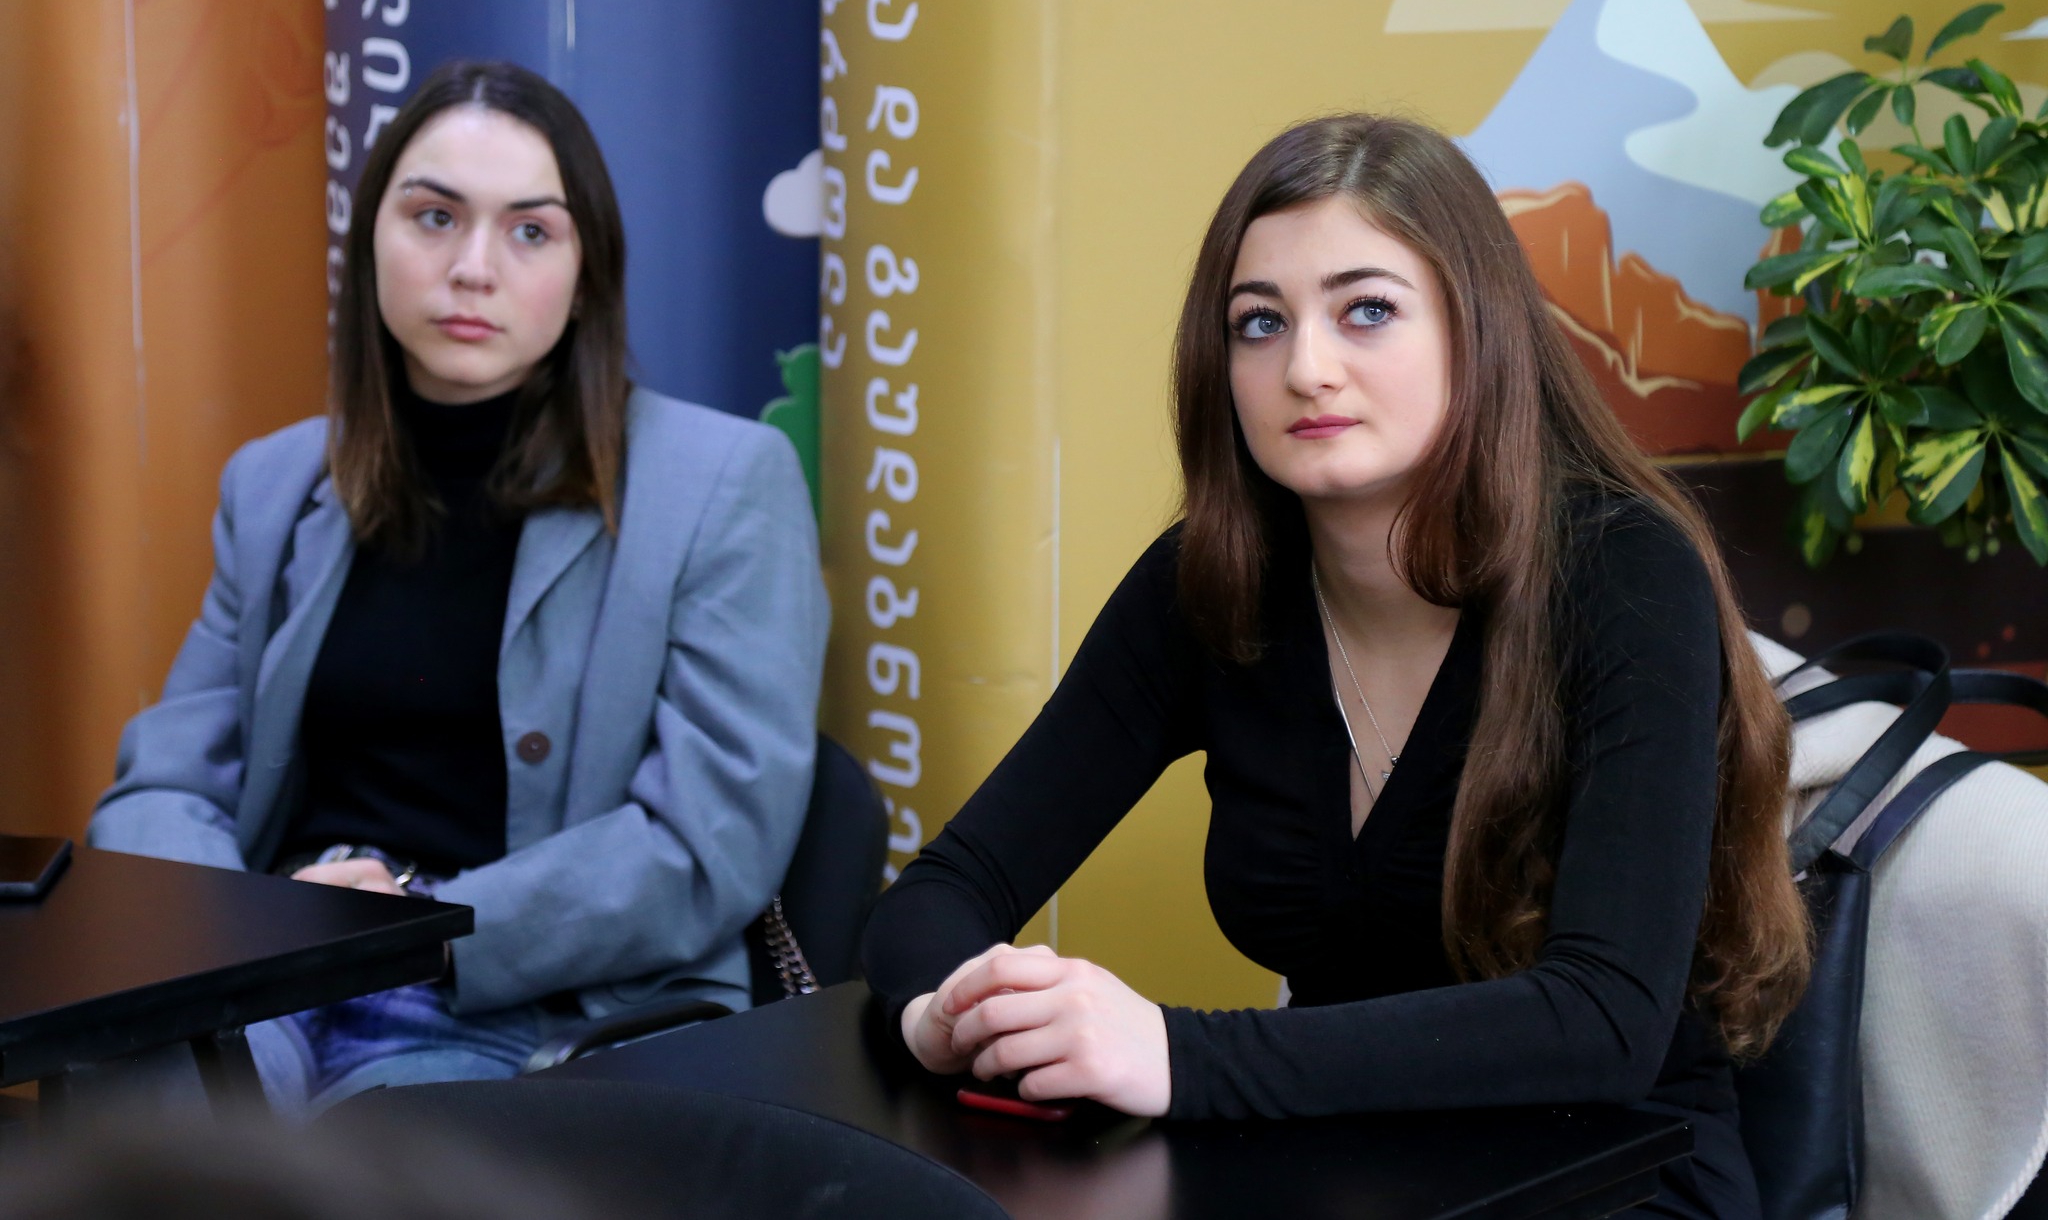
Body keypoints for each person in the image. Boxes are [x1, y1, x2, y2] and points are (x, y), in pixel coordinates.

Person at [860, 114, 1810, 1218]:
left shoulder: (1622, 570)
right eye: (1259, 324)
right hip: (1335, 1166)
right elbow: (947, 888)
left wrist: (1174, 1054)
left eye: (1367, 310)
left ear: (1476, 328)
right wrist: (946, 1013)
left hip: (1618, 1177)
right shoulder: (1209, 584)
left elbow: (1602, 1018)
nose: (1306, 369)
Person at [88, 60, 828, 1113]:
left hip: (526, 1002)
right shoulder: (274, 482)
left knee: (365, 1176)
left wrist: (411, 924)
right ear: (370, 244)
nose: (473, 268)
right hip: (268, 975)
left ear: (587, 273)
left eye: (530, 231)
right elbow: (162, 790)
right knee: (145, 1144)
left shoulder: (721, 483)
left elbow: (709, 844)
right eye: (434, 217)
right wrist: (248, 928)